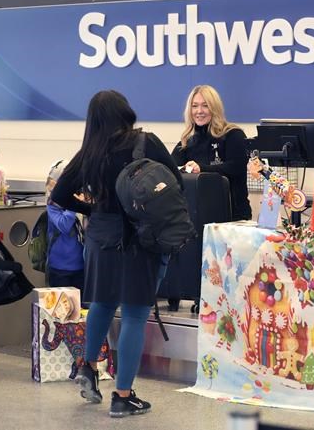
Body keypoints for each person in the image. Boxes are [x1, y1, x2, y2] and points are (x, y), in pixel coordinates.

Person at [51, 90, 181, 418]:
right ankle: (123, 396)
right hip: (137, 240)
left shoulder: (89, 153)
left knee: (101, 305)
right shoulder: (145, 142)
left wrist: (91, 209)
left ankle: (88, 365)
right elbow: (174, 181)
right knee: (135, 315)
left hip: (99, 240)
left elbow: (59, 194)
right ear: (125, 111)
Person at [171, 84, 252, 221]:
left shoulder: (233, 134)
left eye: (205, 105)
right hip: (198, 216)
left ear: (215, 108)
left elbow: (236, 167)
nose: (199, 111)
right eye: (195, 106)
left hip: (232, 216)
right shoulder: (187, 141)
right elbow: (170, 168)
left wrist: (201, 169)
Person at [44, 159, 85, 289]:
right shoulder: (52, 206)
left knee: (82, 308)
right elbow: (64, 225)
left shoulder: (84, 200)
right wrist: (74, 205)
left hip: (81, 266)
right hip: (60, 268)